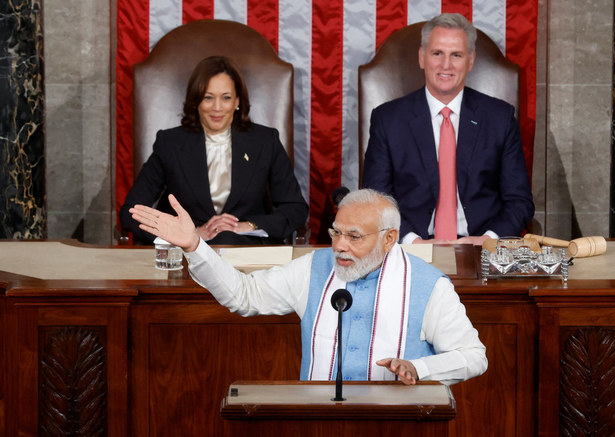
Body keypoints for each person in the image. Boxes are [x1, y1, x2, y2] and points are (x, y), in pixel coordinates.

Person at [129, 188, 487, 386]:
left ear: (390, 238)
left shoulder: (428, 285)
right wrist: (195, 247)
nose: (341, 246)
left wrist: (419, 369)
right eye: (336, 232)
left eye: (354, 236)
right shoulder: (315, 268)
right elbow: (244, 295)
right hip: (318, 425)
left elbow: (474, 357)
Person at [362, 13, 534, 245]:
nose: (446, 65)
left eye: (456, 55)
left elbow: (519, 201)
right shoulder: (388, 119)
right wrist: (413, 242)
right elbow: (376, 200)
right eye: (437, 53)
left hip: (481, 248)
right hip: (411, 248)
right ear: (422, 57)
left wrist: (487, 240)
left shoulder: (499, 118)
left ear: (470, 60)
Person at [119, 56, 308, 245]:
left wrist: (247, 225)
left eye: (226, 98)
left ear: (237, 101)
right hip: (188, 252)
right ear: (196, 101)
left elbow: (295, 208)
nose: (217, 108)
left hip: (247, 250)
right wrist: (189, 233)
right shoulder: (170, 143)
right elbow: (132, 212)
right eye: (208, 98)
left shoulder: (266, 141)